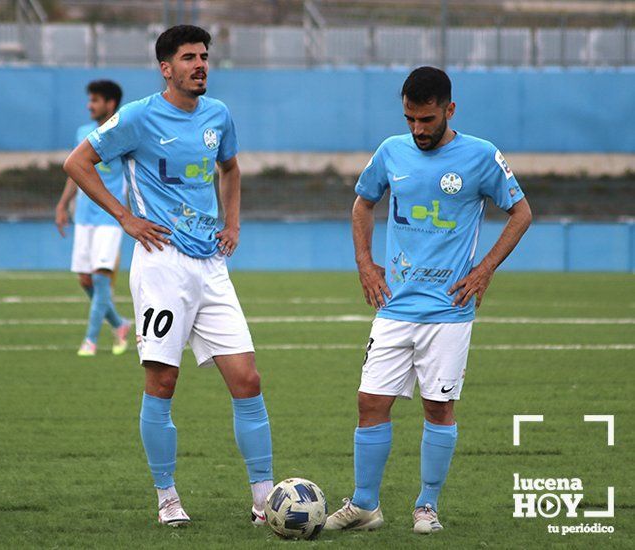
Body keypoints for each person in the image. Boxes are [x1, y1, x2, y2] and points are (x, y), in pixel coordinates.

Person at [64, 25, 274, 528]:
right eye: (188, 58)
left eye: (204, 56)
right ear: (166, 67)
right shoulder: (137, 116)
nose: (200, 64)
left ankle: (265, 499)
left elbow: (231, 168)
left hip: (212, 266)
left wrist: (233, 223)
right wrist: (126, 218)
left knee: (247, 380)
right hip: (162, 264)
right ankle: (167, 496)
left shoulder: (218, 114)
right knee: (163, 379)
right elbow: (78, 163)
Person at [325, 66, 532, 534]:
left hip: (449, 311)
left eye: (427, 120)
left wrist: (484, 270)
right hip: (395, 305)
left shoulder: (481, 156)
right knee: (370, 402)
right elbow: (362, 202)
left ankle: (426, 507)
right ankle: (364, 506)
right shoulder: (390, 151)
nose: (417, 130)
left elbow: (521, 212)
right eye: (410, 120)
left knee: (438, 408)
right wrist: (364, 261)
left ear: (449, 110)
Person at [55, 80, 132, 357]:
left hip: (111, 218)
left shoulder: (125, 132)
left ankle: (90, 340)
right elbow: (75, 172)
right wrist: (63, 204)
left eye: (95, 100)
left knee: (100, 279)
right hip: (84, 217)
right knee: (85, 280)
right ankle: (120, 324)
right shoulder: (83, 133)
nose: (90, 105)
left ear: (110, 104)